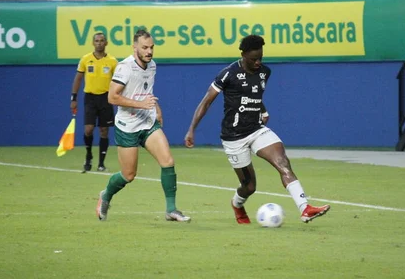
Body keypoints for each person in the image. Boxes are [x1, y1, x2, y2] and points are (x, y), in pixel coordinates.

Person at [184, 35, 330, 224]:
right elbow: (206, 102)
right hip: (234, 137)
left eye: (261, 57)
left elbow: (253, 94)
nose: (258, 62)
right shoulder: (228, 74)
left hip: (256, 130)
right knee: (249, 186)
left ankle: (305, 208)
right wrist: (191, 129)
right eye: (253, 59)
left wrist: (262, 109)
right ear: (243, 54)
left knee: (283, 162)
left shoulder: (264, 72)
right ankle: (237, 204)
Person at [96, 29, 190, 223]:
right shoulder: (125, 68)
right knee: (129, 175)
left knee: (168, 162)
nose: (149, 51)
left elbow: (146, 91)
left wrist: (156, 107)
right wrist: (141, 105)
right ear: (135, 47)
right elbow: (112, 97)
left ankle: (171, 210)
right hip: (127, 127)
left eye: (152, 47)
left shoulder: (152, 66)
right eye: (145, 47)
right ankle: (106, 195)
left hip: (147, 122)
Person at [70, 32, 118, 172]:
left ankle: (101, 163)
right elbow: (78, 78)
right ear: (93, 43)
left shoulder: (112, 61)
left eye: (102, 41)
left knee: (104, 130)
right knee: (89, 129)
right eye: (96, 41)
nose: (99, 43)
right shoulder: (86, 59)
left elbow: (119, 81)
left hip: (106, 98)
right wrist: (74, 97)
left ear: (106, 43)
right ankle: (89, 155)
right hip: (90, 97)